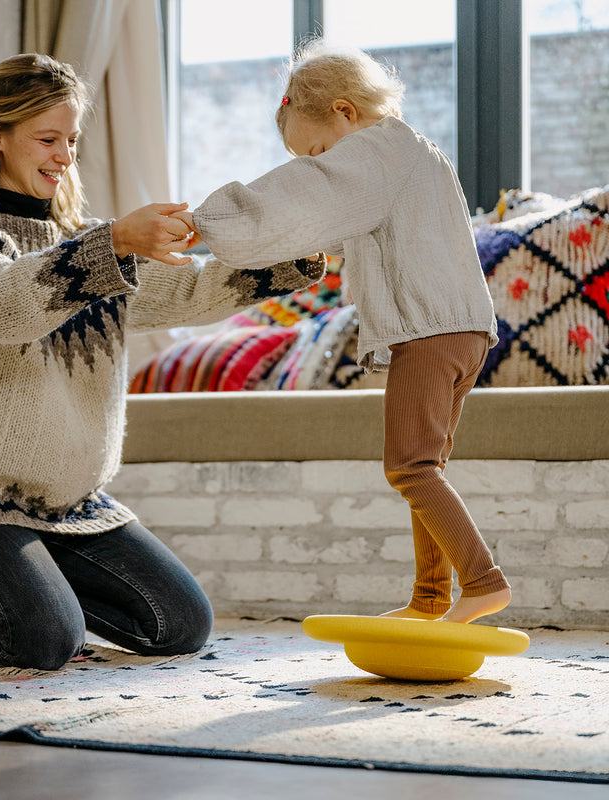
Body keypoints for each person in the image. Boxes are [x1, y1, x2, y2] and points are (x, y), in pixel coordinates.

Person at [0, 52, 324, 670]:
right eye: (47, 139)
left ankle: (15, 589)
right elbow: (3, 307)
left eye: (71, 139)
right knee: (43, 644)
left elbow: (188, 290)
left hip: (72, 506)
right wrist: (115, 243)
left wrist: (295, 257)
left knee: (180, 625)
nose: (63, 155)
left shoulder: (92, 245)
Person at [180, 43, 511, 624]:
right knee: (426, 469)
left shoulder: (373, 154)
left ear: (345, 112)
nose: (321, 165)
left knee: (408, 467)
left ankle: (483, 581)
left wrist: (206, 223)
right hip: (464, 331)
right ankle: (430, 599)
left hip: (428, 332)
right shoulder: (413, 154)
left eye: (318, 152)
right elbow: (355, 229)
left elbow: (303, 195)